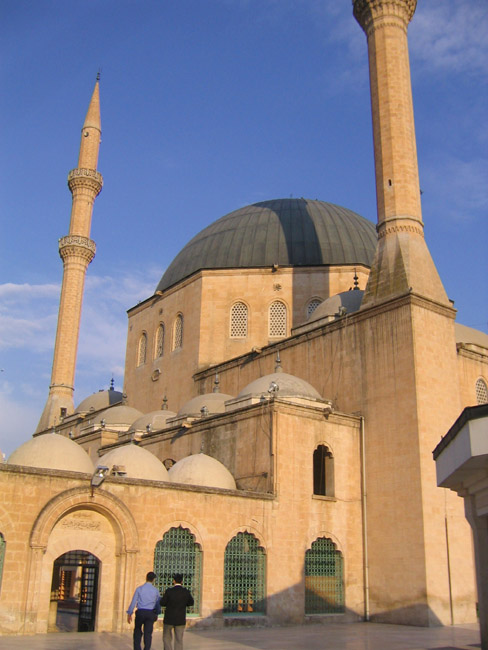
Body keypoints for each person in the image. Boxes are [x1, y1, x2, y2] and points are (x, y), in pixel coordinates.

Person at [127, 571, 161, 650]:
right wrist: (157, 613)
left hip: (141, 612)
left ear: (146, 578)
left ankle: (137, 648)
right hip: (150, 613)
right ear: (153, 580)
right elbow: (158, 603)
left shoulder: (139, 589)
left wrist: (130, 613)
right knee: (148, 634)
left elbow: (133, 601)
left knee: (137, 632)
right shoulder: (155, 590)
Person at [160, 573, 194, 650]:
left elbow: (162, 603)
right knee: (179, 639)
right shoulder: (186, 592)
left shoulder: (169, 591)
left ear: (174, 581)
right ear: (182, 582)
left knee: (167, 638)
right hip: (180, 619)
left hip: (169, 619)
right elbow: (191, 602)